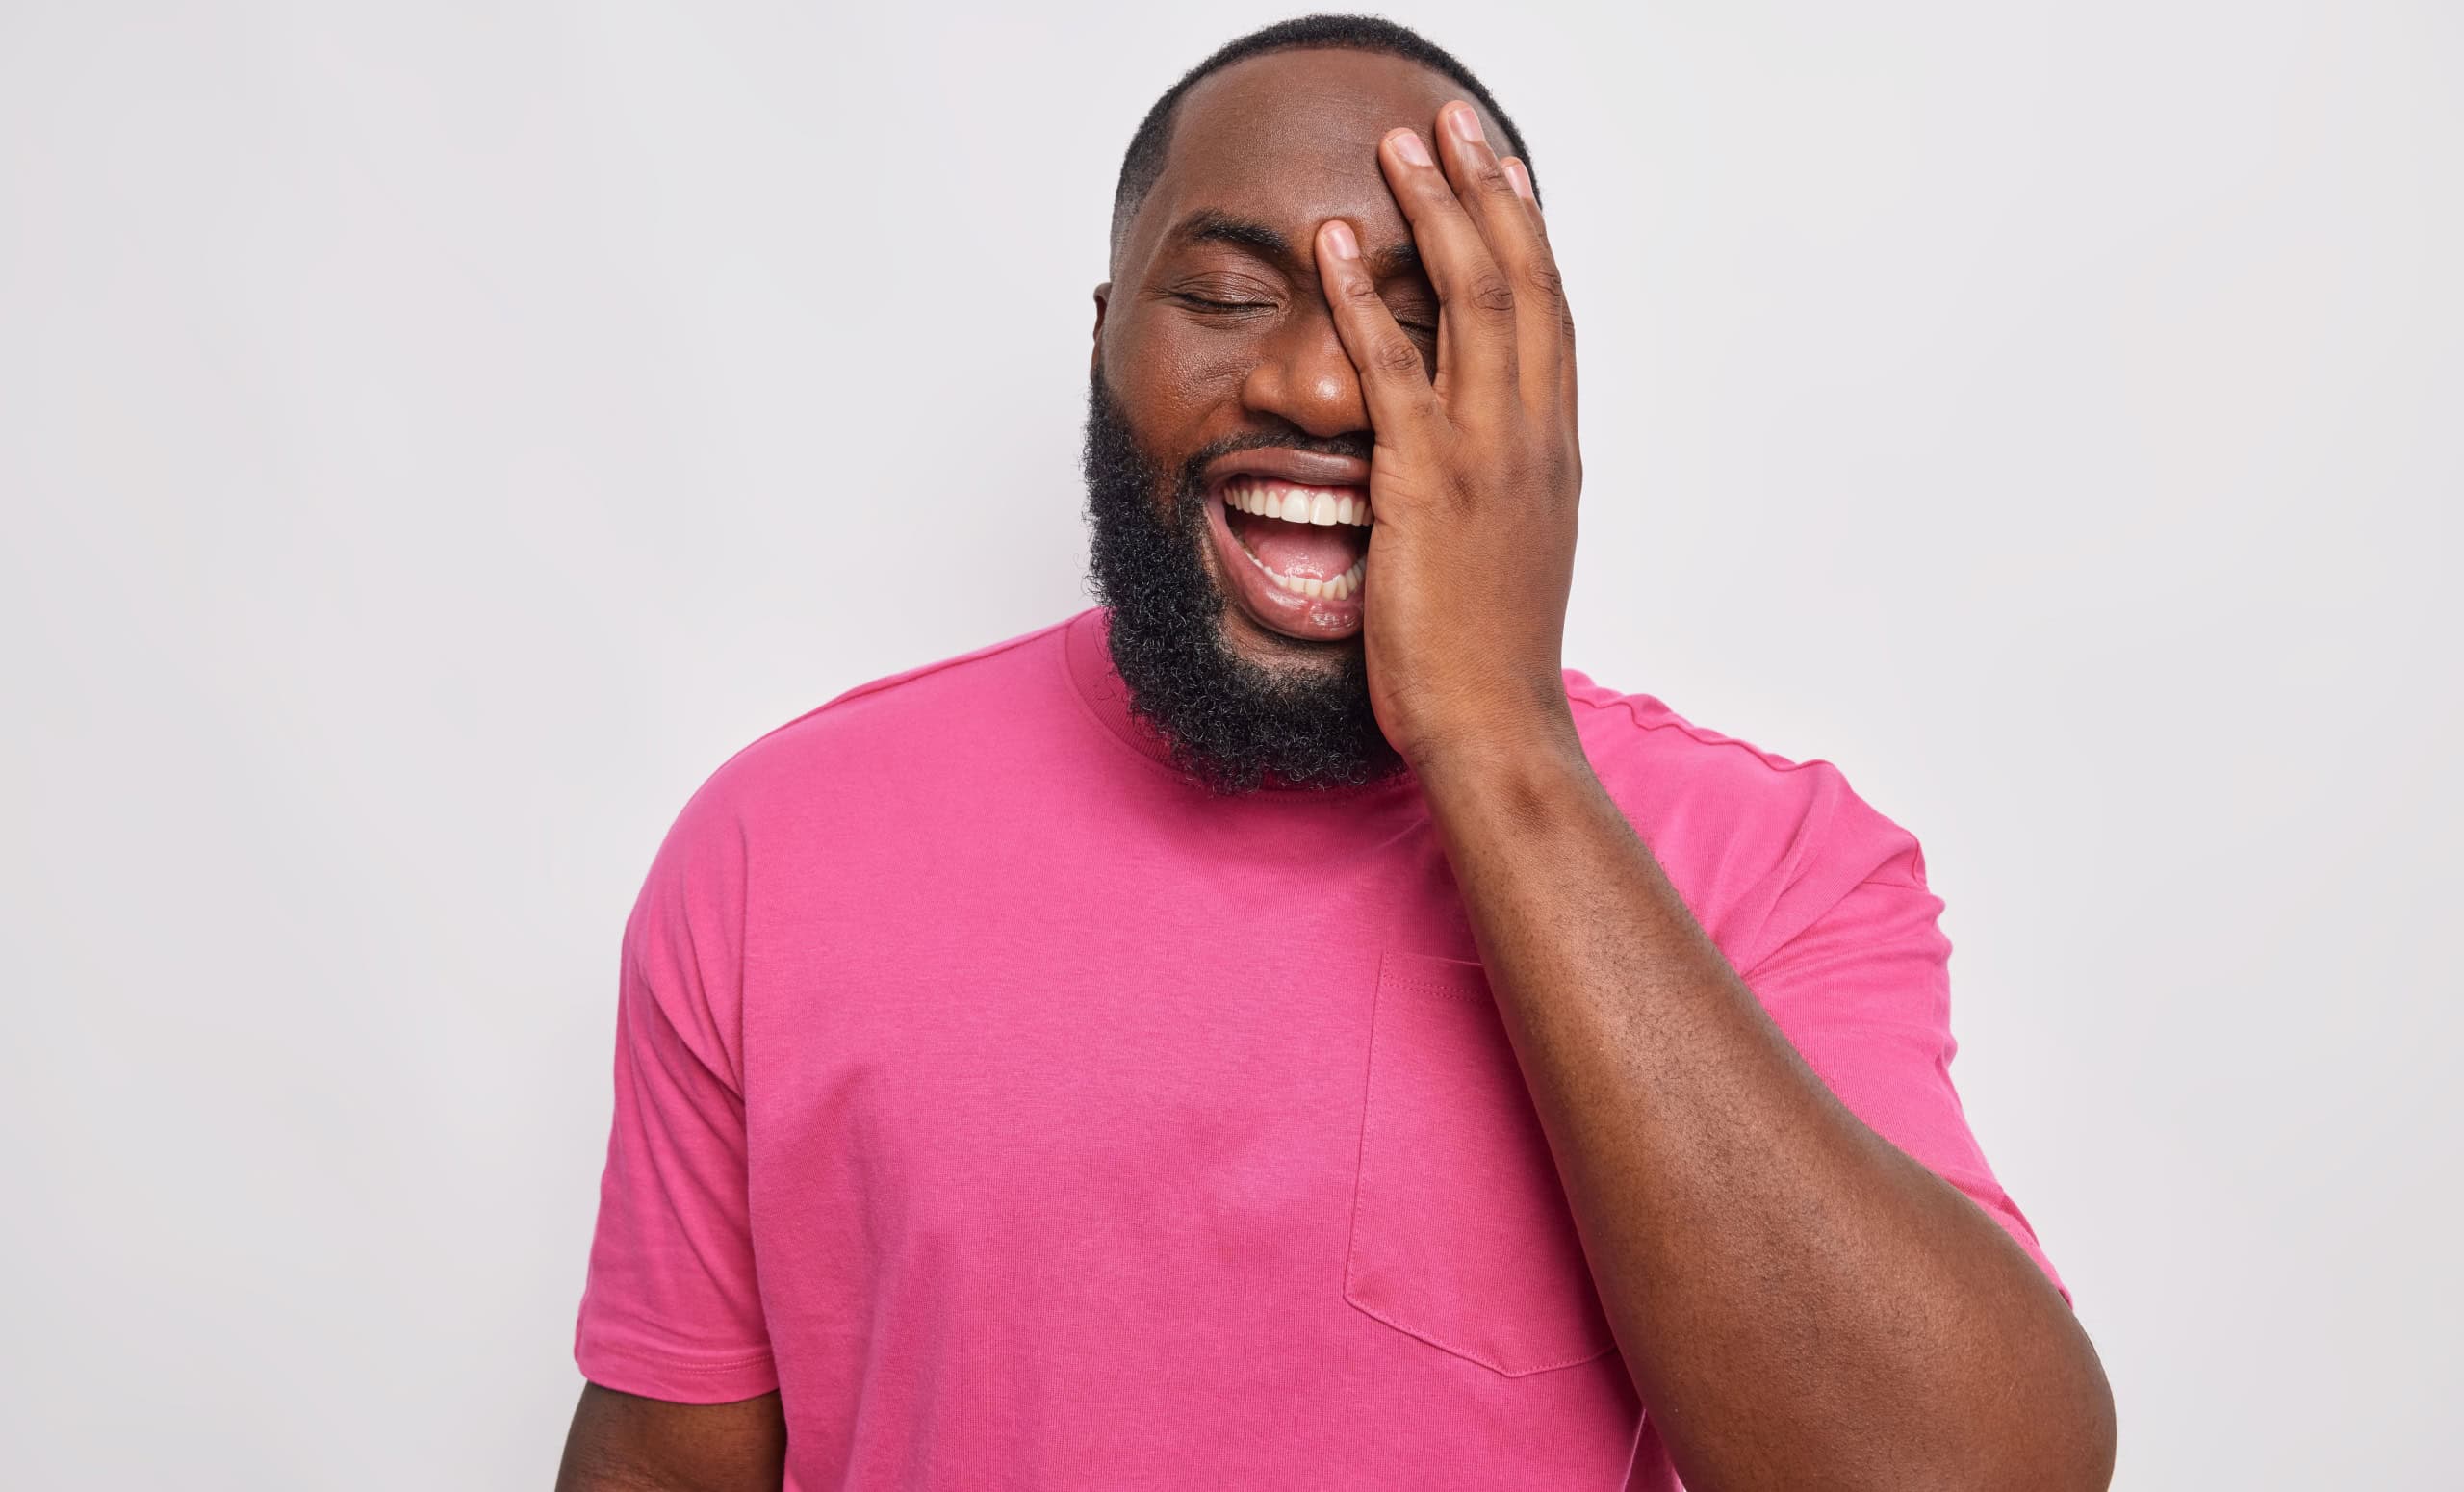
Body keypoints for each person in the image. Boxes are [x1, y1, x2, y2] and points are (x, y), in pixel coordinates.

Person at [554, 15, 2116, 1490]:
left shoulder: (1772, 869)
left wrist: (1494, 734)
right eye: (1230, 300)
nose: (1313, 383)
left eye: (1417, 325)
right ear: (1107, 343)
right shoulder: (783, 845)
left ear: (1531, 396)